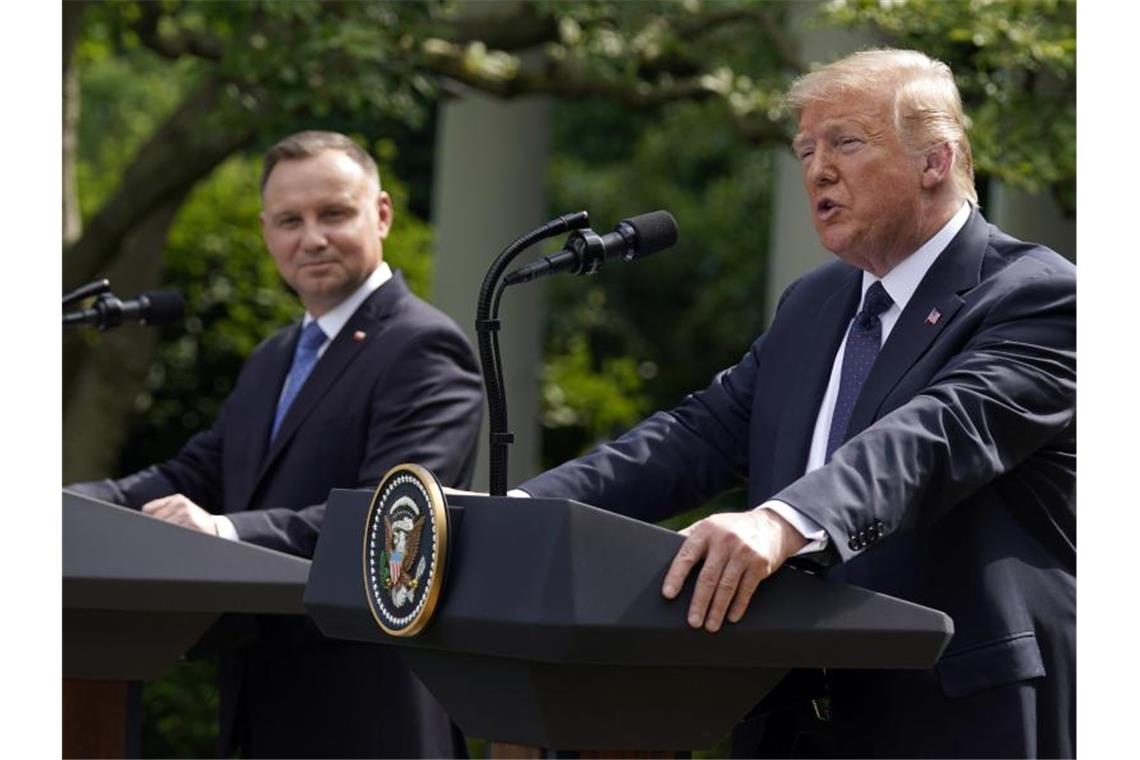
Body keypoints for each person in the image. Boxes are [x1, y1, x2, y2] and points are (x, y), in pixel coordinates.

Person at [516, 49, 1074, 758]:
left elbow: (934, 435)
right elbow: (697, 435)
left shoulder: (1039, 296)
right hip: (788, 712)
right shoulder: (813, 304)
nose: (817, 169)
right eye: (804, 149)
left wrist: (786, 520)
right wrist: (520, 512)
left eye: (845, 142)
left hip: (952, 712)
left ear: (937, 160)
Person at [70, 131, 483, 758]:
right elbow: (194, 472)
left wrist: (223, 533)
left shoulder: (424, 347)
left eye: (334, 213)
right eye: (290, 220)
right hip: (259, 704)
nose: (311, 237)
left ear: (383, 214)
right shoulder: (274, 358)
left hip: (367, 714)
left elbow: (389, 518)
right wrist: (60, 507)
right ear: (266, 233)